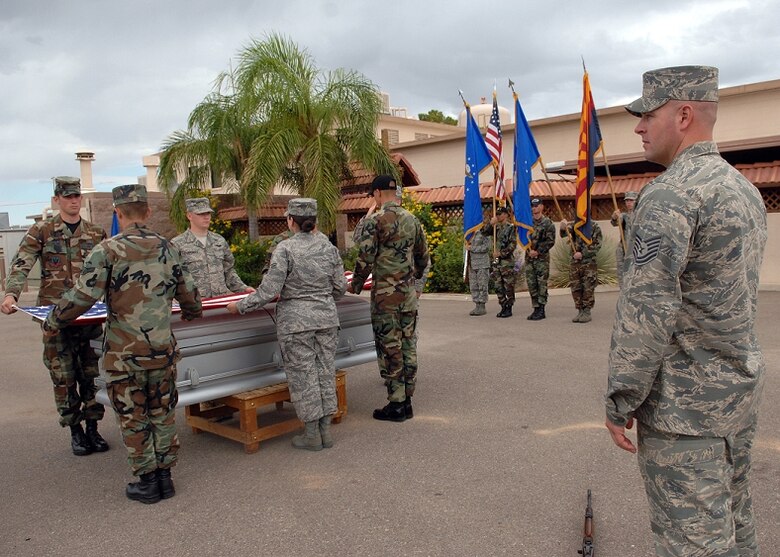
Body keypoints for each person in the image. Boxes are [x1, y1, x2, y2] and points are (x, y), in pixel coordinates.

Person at [605, 66, 767, 556]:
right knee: (734, 526)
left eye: (646, 115)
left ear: (683, 114)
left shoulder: (671, 195)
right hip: (733, 397)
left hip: (685, 409)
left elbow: (647, 307)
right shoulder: (743, 189)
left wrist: (621, 397)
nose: (638, 127)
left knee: (692, 541)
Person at [43, 184, 202, 504]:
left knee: (134, 415)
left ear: (118, 213)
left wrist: (53, 321)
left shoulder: (107, 250)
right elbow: (190, 296)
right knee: (162, 412)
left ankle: (146, 481)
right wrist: (190, 312)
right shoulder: (168, 248)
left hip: (124, 355)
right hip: (161, 351)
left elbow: (82, 297)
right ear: (146, 212)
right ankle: (164, 478)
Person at [1, 176, 110, 456]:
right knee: (63, 376)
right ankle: (75, 431)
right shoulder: (43, 231)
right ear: (57, 199)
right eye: (68, 196)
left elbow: (112, 271)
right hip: (55, 318)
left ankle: (94, 429)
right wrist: (11, 294)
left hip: (89, 317)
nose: (74, 201)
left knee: (90, 373)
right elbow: (22, 262)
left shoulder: (96, 233)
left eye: (77, 196)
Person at [226, 198, 346, 451]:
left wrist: (241, 306)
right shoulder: (329, 248)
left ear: (291, 220)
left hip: (296, 322)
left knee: (304, 376)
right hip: (326, 319)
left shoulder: (285, 249)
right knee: (324, 370)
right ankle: (326, 431)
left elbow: (269, 290)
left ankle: (312, 434)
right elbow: (340, 288)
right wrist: (320, 300)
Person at [347, 175, 429, 422]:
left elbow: (365, 258)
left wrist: (356, 285)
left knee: (389, 347)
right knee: (407, 345)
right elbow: (423, 258)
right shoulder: (412, 220)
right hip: (407, 297)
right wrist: (411, 281)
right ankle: (407, 401)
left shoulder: (376, 220)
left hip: (385, 297)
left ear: (377, 194)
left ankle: (396, 404)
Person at [171, 197, 255, 298]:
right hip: (194, 305)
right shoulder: (177, 244)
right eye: (201, 214)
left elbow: (228, 271)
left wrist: (244, 288)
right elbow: (172, 277)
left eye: (208, 213)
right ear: (189, 216)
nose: (206, 217)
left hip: (219, 302)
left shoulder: (219, 241)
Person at [559, 218, 602, 323]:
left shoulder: (594, 226)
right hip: (575, 262)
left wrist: (583, 254)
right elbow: (565, 234)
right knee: (576, 286)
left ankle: (587, 311)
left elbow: (597, 244)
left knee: (588, 286)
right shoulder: (575, 225)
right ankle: (580, 310)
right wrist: (562, 228)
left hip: (588, 262)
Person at [524, 198, 556, 320]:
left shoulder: (548, 223)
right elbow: (523, 239)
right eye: (532, 206)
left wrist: (537, 251)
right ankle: (535, 308)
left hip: (541, 259)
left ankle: (542, 309)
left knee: (541, 284)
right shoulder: (527, 223)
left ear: (542, 207)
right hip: (529, 258)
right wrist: (529, 251)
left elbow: (550, 241)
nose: (534, 208)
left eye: (537, 206)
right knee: (532, 284)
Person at [489, 206, 516, 318]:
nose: (498, 216)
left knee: (508, 285)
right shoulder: (496, 228)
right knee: (498, 285)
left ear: (505, 215)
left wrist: (502, 253)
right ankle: (503, 305)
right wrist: (490, 224)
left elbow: (513, 244)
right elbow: (484, 232)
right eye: (497, 214)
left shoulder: (510, 228)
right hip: (496, 262)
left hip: (506, 261)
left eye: (500, 214)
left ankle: (509, 307)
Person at [610, 191, 638, 287]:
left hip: (637, 250)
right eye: (627, 201)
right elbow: (615, 222)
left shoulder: (640, 215)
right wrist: (614, 217)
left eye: (631, 200)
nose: (628, 203)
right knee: (622, 274)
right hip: (624, 249)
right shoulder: (623, 216)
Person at [466, 213, 491, 316]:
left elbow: (486, 247)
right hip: (472, 263)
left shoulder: (485, 233)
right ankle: (477, 304)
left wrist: (472, 248)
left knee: (482, 285)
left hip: (482, 263)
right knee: (473, 285)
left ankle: (482, 306)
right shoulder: (469, 233)